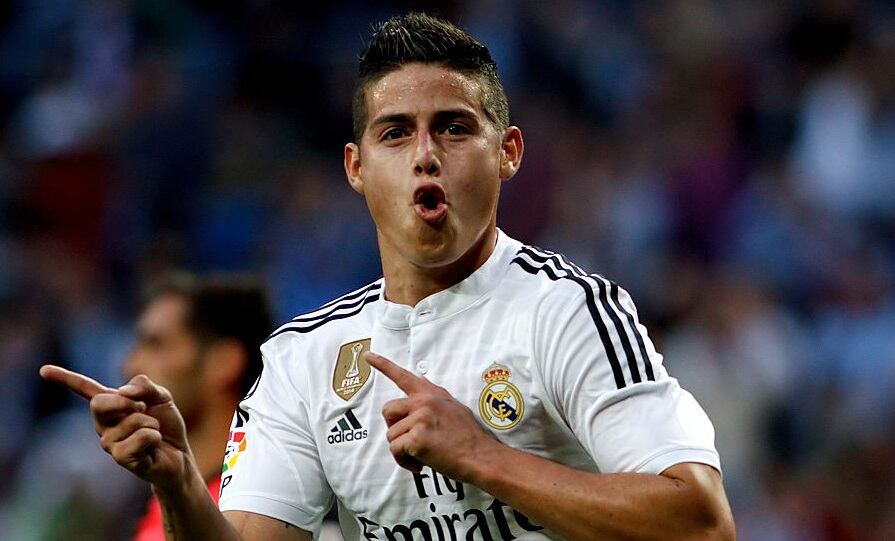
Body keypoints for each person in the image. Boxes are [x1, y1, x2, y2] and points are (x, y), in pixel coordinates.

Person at [41, 13, 735, 541]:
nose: (425, 154)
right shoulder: (302, 357)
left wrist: (481, 457)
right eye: (396, 132)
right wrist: (180, 482)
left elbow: (700, 520)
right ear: (355, 166)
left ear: (508, 153)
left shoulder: (568, 310)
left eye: (455, 128)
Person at [124, 273, 274, 540]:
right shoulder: (150, 498)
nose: (130, 367)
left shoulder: (266, 506)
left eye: (157, 345)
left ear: (224, 362)